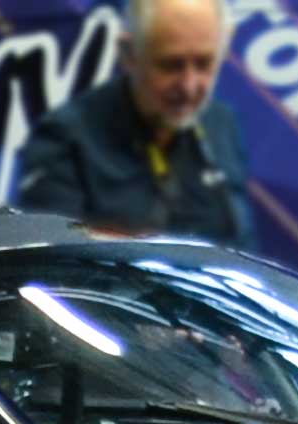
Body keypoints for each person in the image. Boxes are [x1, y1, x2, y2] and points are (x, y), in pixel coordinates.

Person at [13, 0, 250, 245]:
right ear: (127, 54)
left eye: (204, 63)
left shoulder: (222, 124)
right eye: (170, 66)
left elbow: (243, 249)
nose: (189, 87)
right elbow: (50, 257)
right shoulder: (65, 137)